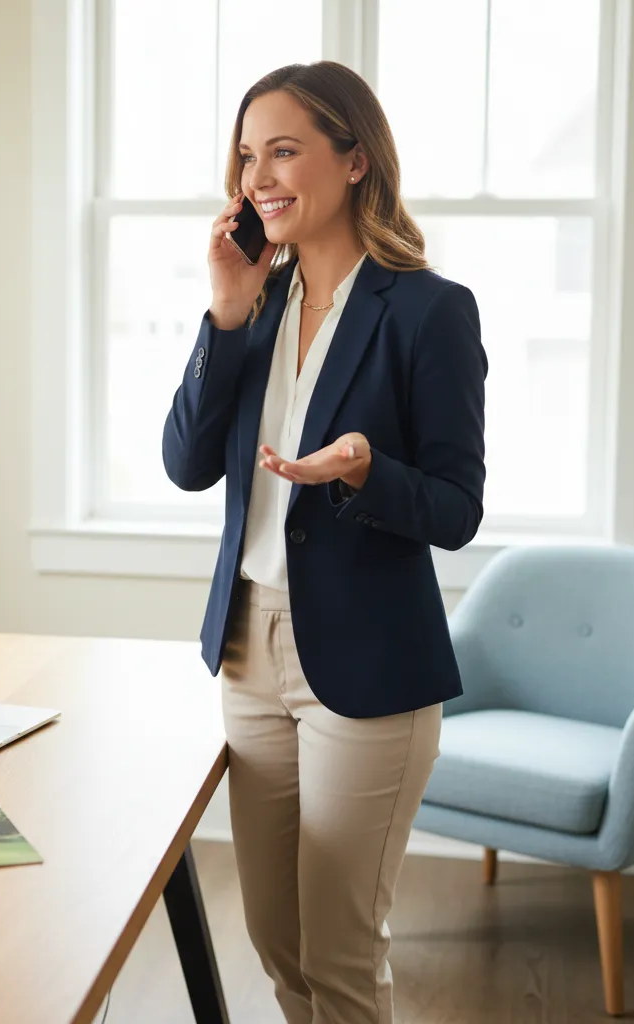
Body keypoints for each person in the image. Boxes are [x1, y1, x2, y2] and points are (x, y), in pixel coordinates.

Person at [162, 61, 487, 1024]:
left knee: (341, 957)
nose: (260, 174)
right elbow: (186, 464)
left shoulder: (429, 310)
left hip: (368, 662)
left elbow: (456, 509)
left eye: (286, 150)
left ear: (353, 160)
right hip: (248, 654)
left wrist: (363, 470)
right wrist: (224, 309)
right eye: (249, 155)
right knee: (277, 941)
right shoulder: (252, 305)